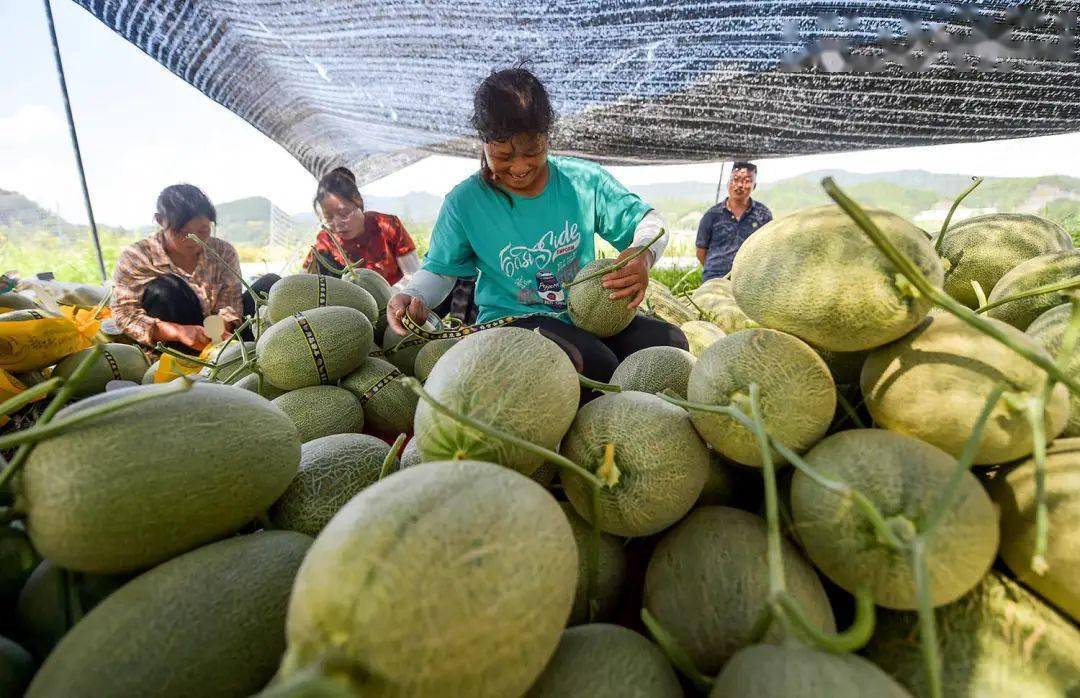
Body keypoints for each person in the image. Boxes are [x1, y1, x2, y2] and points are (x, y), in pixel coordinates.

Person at [387, 67, 687, 393]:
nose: (519, 167)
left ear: (548, 137)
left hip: (585, 316)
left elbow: (650, 222)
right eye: (503, 155)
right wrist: (413, 296)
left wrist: (642, 257)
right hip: (511, 324)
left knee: (669, 345)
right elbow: (440, 272)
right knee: (596, 364)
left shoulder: (583, 182)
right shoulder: (465, 202)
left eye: (532, 151)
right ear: (484, 143)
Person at [111, 184, 274, 353]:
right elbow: (124, 314)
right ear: (160, 220)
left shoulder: (223, 251)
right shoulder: (138, 256)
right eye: (182, 232)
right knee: (166, 289)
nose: (193, 240)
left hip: (218, 336)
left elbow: (230, 303)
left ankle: (255, 352)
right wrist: (177, 332)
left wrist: (216, 332)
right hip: (173, 343)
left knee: (270, 284)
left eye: (203, 231)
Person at [303, 167, 420, 290]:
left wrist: (390, 296)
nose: (337, 224)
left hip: (396, 302)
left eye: (344, 214)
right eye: (328, 217)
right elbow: (303, 278)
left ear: (358, 202)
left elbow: (412, 274)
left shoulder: (387, 226)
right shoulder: (326, 239)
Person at [695, 162, 773, 281]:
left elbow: (769, 248)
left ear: (754, 185)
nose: (740, 185)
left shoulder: (763, 215)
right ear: (728, 183)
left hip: (750, 280)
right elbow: (701, 251)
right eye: (735, 179)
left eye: (747, 180)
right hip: (715, 279)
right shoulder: (712, 215)